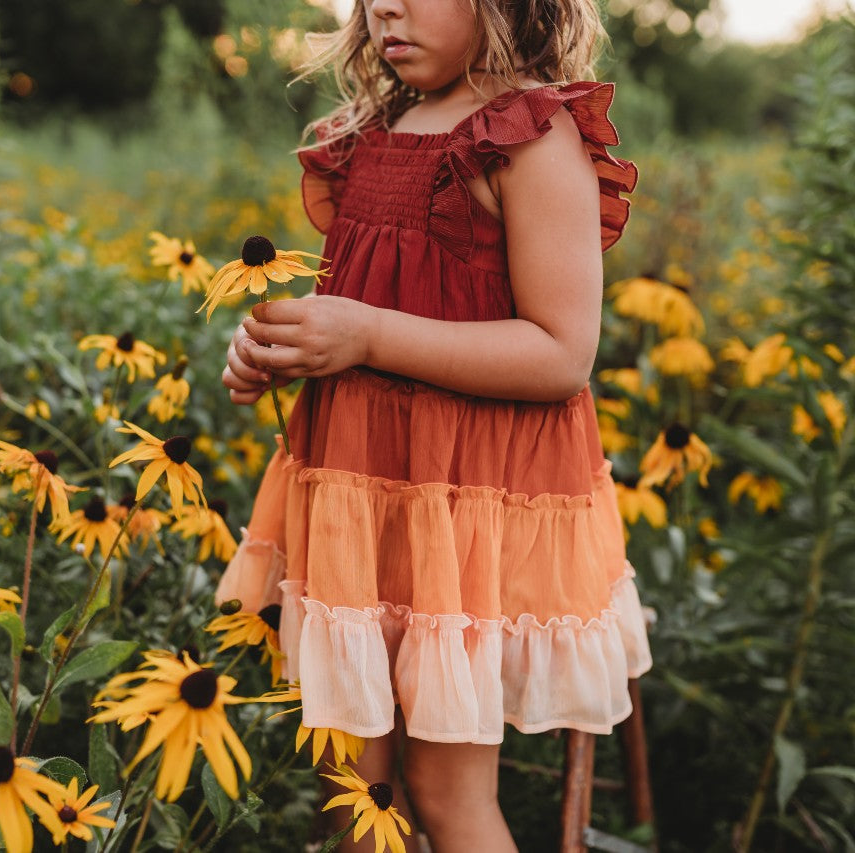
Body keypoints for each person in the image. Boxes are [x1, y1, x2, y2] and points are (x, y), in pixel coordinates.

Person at [217, 0, 652, 848]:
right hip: (360, 498)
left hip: (465, 513)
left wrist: (368, 336)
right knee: (352, 787)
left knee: (446, 791)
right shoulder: (370, 131)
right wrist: (285, 345)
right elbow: (369, 301)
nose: (385, 6)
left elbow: (561, 354)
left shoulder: (529, 137)